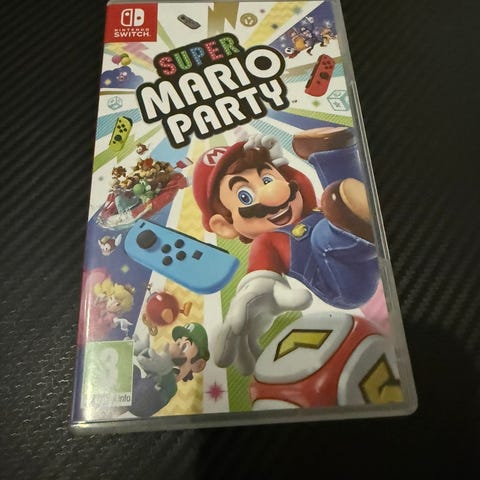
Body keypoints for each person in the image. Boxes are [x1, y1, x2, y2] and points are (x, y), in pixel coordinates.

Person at [192, 127, 379, 374]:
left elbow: (297, 187)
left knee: (333, 200)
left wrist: (281, 164)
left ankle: (334, 156)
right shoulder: (268, 242)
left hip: (356, 243)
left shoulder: (306, 206)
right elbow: (261, 278)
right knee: (325, 230)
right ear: (224, 225)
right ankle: (360, 219)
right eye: (245, 196)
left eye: (267, 179)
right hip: (343, 282)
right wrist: (258, 295)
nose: (273, 193)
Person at [128, 322, 209, 417]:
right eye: (178, 343)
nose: (176, 348)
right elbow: (151, 369)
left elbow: (167, 385)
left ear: (198, 365)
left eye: (184, 347)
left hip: (145, 402)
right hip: (133, 392)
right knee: (133, 370)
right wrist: (142, 352)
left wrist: (164, 370)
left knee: (143, 384)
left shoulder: (171, 387)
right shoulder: (163, 367)